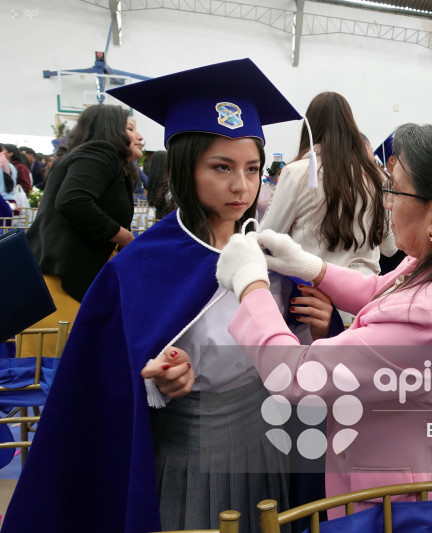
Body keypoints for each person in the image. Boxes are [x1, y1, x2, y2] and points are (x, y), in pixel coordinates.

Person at [2, 59, 315, 533]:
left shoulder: (269, 254)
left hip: (265, 437)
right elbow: (106, 380)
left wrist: (320, 315)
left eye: (253, 169)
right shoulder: (140, 266)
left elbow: (292, 343)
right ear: (187, 169)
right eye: (221, 167)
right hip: (192, 450)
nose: (241, 186)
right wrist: (158, 381)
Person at [215, 120, 432, 518]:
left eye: (394, 190)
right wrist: (312, 267)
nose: (386, 202)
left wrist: (251, 288)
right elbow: (381, 291)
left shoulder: (427, 321)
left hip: (407, 504)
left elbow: (298, 376)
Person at [23, 105, 142, 354]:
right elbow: (73, 200)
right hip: (62, 286)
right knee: (55, 373)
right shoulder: (101, 152)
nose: (140, 137)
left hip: (50, 284)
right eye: (131, 129)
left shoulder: (86, 157)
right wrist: (126, 238)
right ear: (110, 131)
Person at [262, 92, 394, 280]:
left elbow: (268, 238)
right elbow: (390, 248)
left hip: (314, 291)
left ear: (311, 125)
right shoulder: (377, 176)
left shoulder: (297, 173)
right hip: (363, 295)